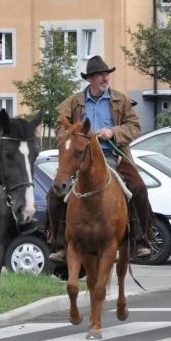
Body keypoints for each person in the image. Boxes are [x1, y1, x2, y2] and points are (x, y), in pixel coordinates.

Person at [47, 55, 152, 262]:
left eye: (106, 74)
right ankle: (58, 242)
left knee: (138, 187)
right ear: (90, 79)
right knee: (54, 193)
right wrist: (74, 137)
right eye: (100, 75)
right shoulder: (74, 102)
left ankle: (140, 239)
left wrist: (113, 132)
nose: (105, 78)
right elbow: (60, 127)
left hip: (112, 154)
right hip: (80, 157)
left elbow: (135, 127)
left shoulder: (121, 100)